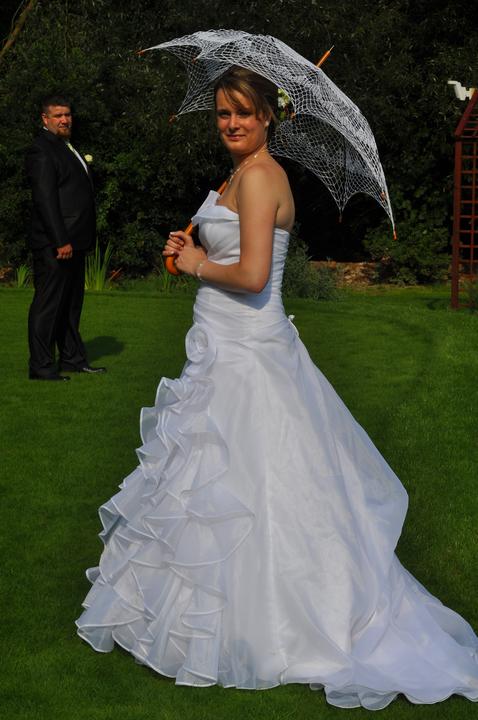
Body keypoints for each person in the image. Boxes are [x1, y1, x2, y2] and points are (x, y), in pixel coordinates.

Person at [76, 68, 478, 709]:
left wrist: (197, 264)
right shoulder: (239, 174)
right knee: (215, 483)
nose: (232, 123)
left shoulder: (262, 176)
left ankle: (272, 627)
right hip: (220, 347)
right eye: (222, 113)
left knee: (251, 483)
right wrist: (189, 249)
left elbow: (255, 275)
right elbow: (228, 253)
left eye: (243, 112)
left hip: (248, 354)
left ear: (268, 116)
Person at [26, 94, 106, 380]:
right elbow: (45, 200)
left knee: (71, 306)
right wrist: (60, 240)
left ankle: (72, 359)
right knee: (48, 306)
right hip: (55, 244)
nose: (64, 120)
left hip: (75, 242)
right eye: (58, 115)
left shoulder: (65, 146)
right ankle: (41, 366)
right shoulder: (41, 150)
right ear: (45, 119)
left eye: (67, 115)